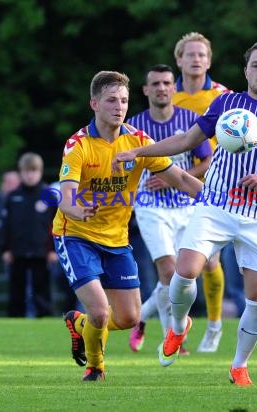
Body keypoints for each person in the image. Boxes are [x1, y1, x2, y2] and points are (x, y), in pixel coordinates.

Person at [115, 38, 257, 386]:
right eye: (255, 65)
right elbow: (185, 141)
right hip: (216, 205)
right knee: (185, 271)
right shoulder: (227, 103)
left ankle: (239, 365)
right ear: (246, 71)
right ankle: (179, 328)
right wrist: (140, 153)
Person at [55, 70, 204, 381]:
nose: (119, 106)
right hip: (76, 236)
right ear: (94, 103)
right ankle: (96, 367)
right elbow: (65, 198)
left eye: (124, 100)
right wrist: (78, 210)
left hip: (117, 239)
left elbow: (178, 178)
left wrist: (216, 200)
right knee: (100, 311)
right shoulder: (78, 145)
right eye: (111, 100)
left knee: (128, 317)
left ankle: (79, 325)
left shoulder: (138, 141)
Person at [126, 64, 212, 352]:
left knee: (183, 277)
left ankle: (140, 316)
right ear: (146, 90)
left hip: (187, 207)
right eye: (156, 83)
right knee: (168, 270)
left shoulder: (191, 120)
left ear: (173, 88)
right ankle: (174, 339)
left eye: (166, 82)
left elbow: (207, 162)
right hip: (151, 208)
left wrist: (173, 179)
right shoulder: (135, 127)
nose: (162, 88)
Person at [172, 32, 231, 352]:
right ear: (179, 59)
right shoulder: (169, 97)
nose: (196, 59)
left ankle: (214, 325)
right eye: (190, 54)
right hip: (170, 190)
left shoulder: (223, 96)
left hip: (212, 186)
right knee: (172, 264)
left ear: (209, 60)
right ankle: (176, 328)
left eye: (202, 55)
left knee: (209, 261)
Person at [1, 153, 56, 317]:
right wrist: (5, 248)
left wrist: (53, 249)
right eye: (27, 171)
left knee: (42, 288)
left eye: (34, 171)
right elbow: (6, 225)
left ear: (40, 172)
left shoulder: (49, 195)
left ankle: (44, 316)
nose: (30, 175)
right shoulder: (12, 197)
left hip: (41, 252)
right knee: (16, 288)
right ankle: (15, 318)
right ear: (21, 172)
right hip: (18, 251)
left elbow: (57, 225)